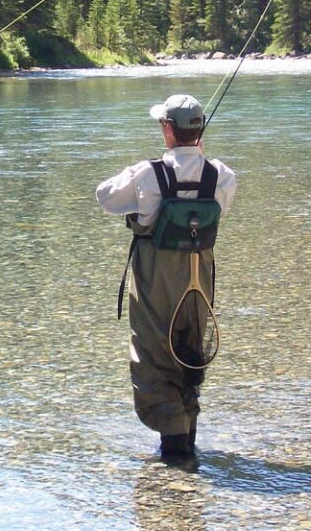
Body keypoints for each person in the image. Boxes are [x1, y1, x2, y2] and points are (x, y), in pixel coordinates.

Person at [96, 94, 236, 462]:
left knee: (154, 353)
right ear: (199, 130)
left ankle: (175, 454)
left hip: (156, 277)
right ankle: (188, 443)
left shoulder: (148, 173)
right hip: (200, 275)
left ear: (168, 129)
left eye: (163, 124)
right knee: (191, 351)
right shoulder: (222, 174)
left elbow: (105, 198)